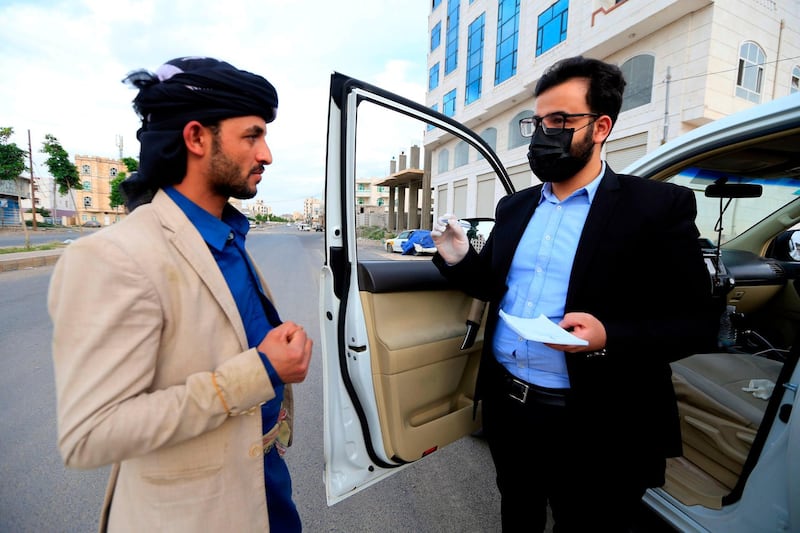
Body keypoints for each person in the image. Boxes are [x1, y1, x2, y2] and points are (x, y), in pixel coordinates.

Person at [431, 56, 719, 532]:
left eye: (561, 121)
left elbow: (696, 322)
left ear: (601, 126)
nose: (544, 133)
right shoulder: (515, 207)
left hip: (598, 422)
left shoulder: (655, 208)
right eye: (539, 121)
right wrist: (460, 257)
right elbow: (496, 290)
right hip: (510, 407)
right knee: (516, 513)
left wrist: (610, 335)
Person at [48, 57, 312, 532]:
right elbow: (90, 434)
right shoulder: (115, 257)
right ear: (195, 138)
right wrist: (261, 370)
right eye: (252, 136)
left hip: (266, 499)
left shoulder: (226, 236)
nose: (267, 154)